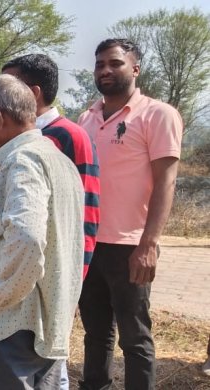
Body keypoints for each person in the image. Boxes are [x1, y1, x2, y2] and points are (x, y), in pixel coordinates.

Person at [0, 74, 84, 389]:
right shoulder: (58, 160)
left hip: (9, 329)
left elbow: (28, 238)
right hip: (44, 324)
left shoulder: (23, 161)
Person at [77, 38, 182, 390]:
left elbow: (165, 182)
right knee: (95, 333)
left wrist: (149, 244)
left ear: (134, 69)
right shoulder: (87, 117)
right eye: (99, 64)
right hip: (90, 243)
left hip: (130, 245)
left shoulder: (158, 114)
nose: (105, 70)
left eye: (115, 63)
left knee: (134, 338)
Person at [2, 53, 102, 390]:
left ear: (32, 92)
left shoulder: (69, 136)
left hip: (52, 272)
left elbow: (84, 217)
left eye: (8, 88)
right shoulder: (12, 138)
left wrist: (73, 283)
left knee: (49, 362)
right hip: (19, 269)